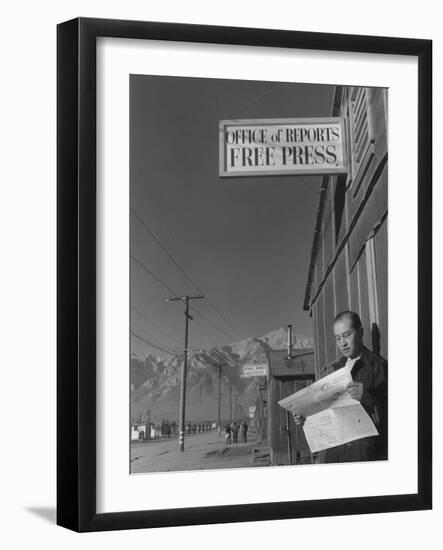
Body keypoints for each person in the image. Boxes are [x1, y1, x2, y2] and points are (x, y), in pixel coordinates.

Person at [293, 310, 387, 462]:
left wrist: (367, 397)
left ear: (361, 332)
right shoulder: (333, 370)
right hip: (333, 453)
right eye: (337, 338)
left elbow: (395, 414)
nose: (342, 343)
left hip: (363, 453)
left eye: (347, 335)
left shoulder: (377, 366)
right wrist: (305, 416)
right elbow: (324, 410)